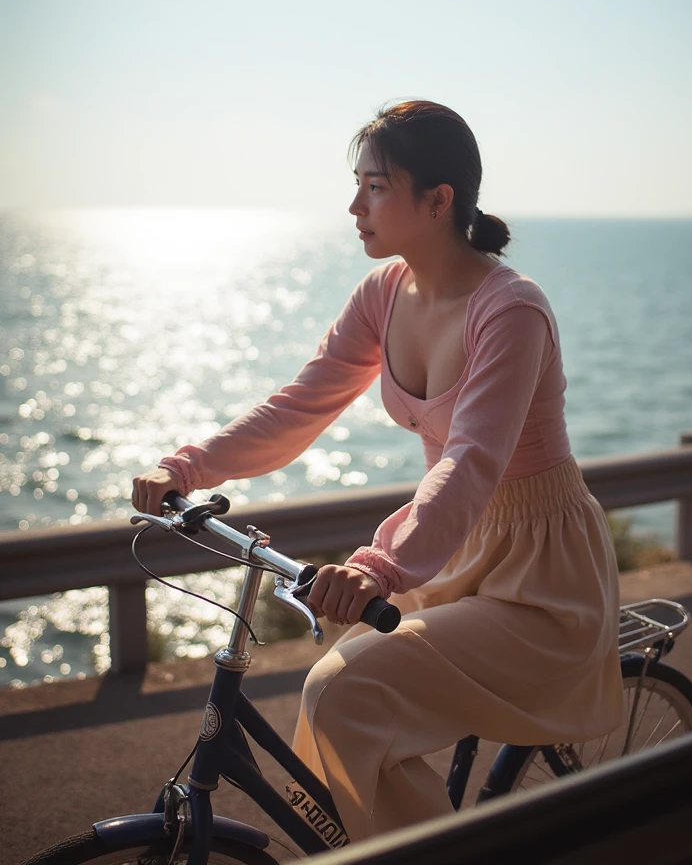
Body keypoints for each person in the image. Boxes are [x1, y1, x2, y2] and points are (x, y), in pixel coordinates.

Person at [132, 100, 625, 842]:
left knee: (342, 693)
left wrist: (380, 566)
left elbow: (472, 459)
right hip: (454, 556)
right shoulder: (385, 293)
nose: (355, 206)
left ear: (437, 201)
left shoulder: (512, 310)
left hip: (538, 583)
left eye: (376, 187)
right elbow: (301, 405)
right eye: (357, 184)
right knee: (339, 704)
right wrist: (188, 467)